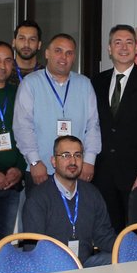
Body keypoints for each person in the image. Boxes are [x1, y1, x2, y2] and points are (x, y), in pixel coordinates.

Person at [92, 24, 137, 233]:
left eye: (129, 42)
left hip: (136, 174)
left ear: (136, 49)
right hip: (103, 174)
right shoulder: (97, 81)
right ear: (109, 49)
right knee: (107, 234)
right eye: (118, 42)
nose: (123, 47)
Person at [14, 33, 102, 189]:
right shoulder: (30, 83)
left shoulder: (85, 84)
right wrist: (34, 161)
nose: (64, 57)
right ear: (47, 53)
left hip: (76, 170)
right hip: (41, 169)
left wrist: (89, 160)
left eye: (69, 53)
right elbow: (22, 126)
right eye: (58, 51)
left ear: (74, 57)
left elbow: (92, 125)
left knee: (76, 206)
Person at [21, 136, 113, 266]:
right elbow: (33, 248)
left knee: (116, 259)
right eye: (66, 155)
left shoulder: (92, 193)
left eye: (78, 155)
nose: (73, 161)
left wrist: (124, 251)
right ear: (54, 161)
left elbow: (104, 236)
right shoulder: (38, 198)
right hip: (51, 268)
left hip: (84, 265)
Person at [0, 41, 27, 250]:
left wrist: (19, 168)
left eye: (8, 60)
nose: (2, 66)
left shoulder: (20, 93)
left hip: (13, 180)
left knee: (4, 243)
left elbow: (27, 132)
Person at [7, 20, 44, 85]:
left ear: (39, 45)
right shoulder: (5, 72)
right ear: (14, 42)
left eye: (32, 39)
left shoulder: (46, 75)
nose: (26, 44)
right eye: (22, 38)